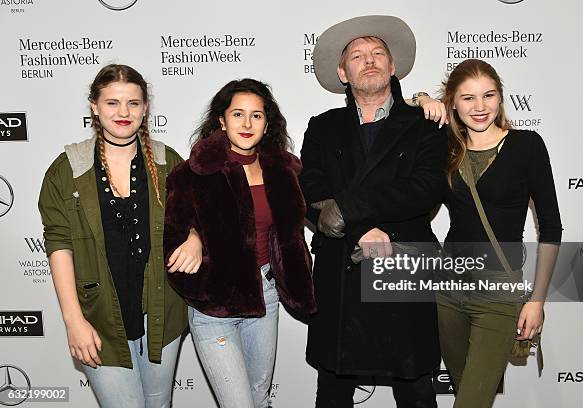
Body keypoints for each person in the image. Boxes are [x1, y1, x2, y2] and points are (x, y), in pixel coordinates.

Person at [300, 15, 448, 408]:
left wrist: (348, 208)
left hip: (404, 264)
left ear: (393, 66)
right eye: (357, 55)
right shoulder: (321, 126)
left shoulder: (425, 123)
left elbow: (424, 189)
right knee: (333, 388)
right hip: (341, 269)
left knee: (415, 386)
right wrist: (359, 232)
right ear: (342, 72)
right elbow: (311, 192)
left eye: (378, 53)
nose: (369, 60)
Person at [38, 64, 202, 408]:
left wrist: (195, 239)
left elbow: (199, 215)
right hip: (98, 320)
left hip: (162, 315)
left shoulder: (167, 162)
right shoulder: (67, 169)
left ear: (145, 108)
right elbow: (59, 245)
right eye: (112, 103)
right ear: (95, 107)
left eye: (133, 103)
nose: (123, 113)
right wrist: (73, 321)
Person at [163, 78, 317, 408]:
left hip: (267, 296)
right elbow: (173, 237)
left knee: (259, 400)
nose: (247, 124)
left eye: (257, 115)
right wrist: (192, 237)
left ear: (267, 122)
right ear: (222, 119)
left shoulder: (284, 170)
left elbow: (295, 232)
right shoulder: (192, 173)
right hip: (215, 307)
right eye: (238, 114)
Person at [438, 58, 562, 408]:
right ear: (453, 104)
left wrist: (537, 300)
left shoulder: (527, 146)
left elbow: (550, 226)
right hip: (447, 289)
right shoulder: (445, 148)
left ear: (500, 97)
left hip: (498, 289)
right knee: (467, 393)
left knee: (471, 402)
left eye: (488, 95)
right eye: (468, 98)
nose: (480, 107)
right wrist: (420, 99)